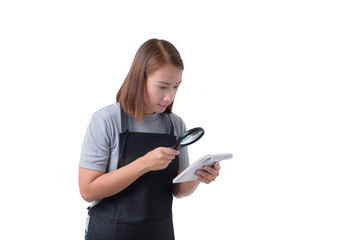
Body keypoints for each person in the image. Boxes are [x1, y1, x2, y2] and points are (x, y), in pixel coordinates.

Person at [78, 38, 221, 240]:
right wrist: (144, 163)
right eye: (162, 87)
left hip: (159, 233)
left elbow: (178, 191)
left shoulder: (175, 125)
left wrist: (198, 176)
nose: (169, 97)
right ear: (139, 79)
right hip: (110, 232)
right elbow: (87, 190)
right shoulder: (106, 120)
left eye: (176, 87)